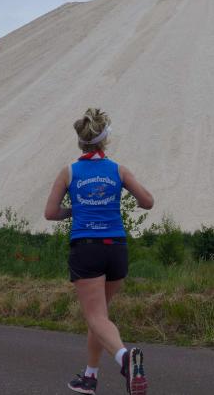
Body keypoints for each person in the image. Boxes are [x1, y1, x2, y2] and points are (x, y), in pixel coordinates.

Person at [44, 107, 154, 395]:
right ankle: (90, 377)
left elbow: (50, 213)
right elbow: (147, 202)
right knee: (100, 316)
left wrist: (75, 210)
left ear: (81, 140)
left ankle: (125, 359)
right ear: (105, 139)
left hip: (87, 248)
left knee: (95, 317)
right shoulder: (118, 170)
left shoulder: (69, 172)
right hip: (116, 247)